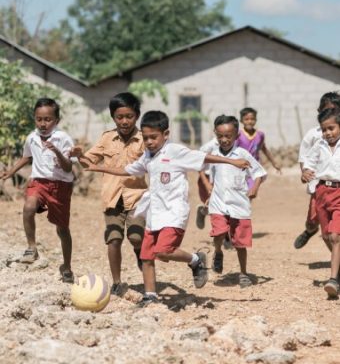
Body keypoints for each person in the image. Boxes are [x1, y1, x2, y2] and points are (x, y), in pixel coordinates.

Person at [83, 110, 251, 306]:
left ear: (166, 134)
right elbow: (126, 170)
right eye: (145, 138)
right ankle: (151, 296)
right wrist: (98, 167)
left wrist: (233, 161)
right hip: (155, 213)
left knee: (163, 250)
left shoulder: (175, 152)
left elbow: (204, 158)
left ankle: (196, 259)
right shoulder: (147, 156)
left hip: (174, 212)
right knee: (146, 256)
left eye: (154, 137)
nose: (149, 142)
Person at [70, 92, 147, 296]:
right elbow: (90, 163)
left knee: (136, 237)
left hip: (137, 197)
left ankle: (140, 253)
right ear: (113, 117)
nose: (124, 121)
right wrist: (80, 156)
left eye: (129, 116)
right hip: (112, 197)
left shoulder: (144, 140)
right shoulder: (106, 138)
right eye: (119, 117)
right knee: (114, 239)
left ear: (137, 116)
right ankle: (117, 282)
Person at [0, 97, 75, 283]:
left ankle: (67, 266)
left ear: (56, 120)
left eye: (48, 119)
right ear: (35, 119)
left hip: (60, 187)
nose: (43, 123)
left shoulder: (63, 139)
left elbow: (67, 168)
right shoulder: (32, 137)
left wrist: (56, 151)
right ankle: (32, 247)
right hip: (38, 182)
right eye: (39, 119)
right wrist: (11, 171)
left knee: (62, 230)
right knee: (28, 207)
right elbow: (26, 157)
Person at [199, 115, 266, 287]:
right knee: (219, 232)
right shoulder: (213, 154)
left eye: (228, 136)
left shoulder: (243, 154)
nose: (224, 139)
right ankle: (218, 251)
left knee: (240, 243)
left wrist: (255, 188)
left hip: (239, 204)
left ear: (237, 136)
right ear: (215, 134)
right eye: (220, 136)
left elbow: (259, 173)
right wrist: (207, 186)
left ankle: (243, 273)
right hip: (218, 203)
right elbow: (201, 168)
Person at [295, 92, 340, 249]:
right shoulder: (313, 134)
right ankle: (309, 231)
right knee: (314, 221)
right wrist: (305, 173)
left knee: (335, 227)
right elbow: (304, 158)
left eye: (335, 110)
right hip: (319, 187)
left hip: (337, 187)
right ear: (319, 111)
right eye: (326, 110)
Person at [303, 108, 340, 297]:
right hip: (321, 192)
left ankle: (333, 279)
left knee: (335, 236)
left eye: (331, 128)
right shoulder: (319, 145)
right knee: (326, 236)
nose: (328, 133)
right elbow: (308, 163)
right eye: (324, 129)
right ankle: (338, 267)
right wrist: (305, 172)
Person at [236, 107, 280, 189]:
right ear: (241, 121)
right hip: (240, 168)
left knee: (251, 191)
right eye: (246, 119)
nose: (249, 121)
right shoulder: (238, 135)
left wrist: (274, 163)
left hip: (254, 168)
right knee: (240, 192)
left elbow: (264, 149)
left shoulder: (260, 135)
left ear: (256, 120)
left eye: (252, 119)